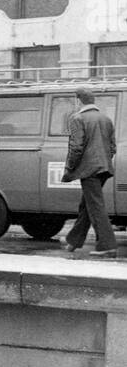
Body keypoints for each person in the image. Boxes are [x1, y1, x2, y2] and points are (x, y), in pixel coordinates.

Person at [60, 88, 118, 255]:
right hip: (104, 168)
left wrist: (70, 167)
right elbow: (112, 147)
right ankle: (73, 241)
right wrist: (103, 161)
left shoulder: (77, 118)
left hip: (89, 170)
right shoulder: (106, 119)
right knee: (87, 205)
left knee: (95, 207)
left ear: (78, 101)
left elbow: (76, 147)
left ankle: (107, 246)